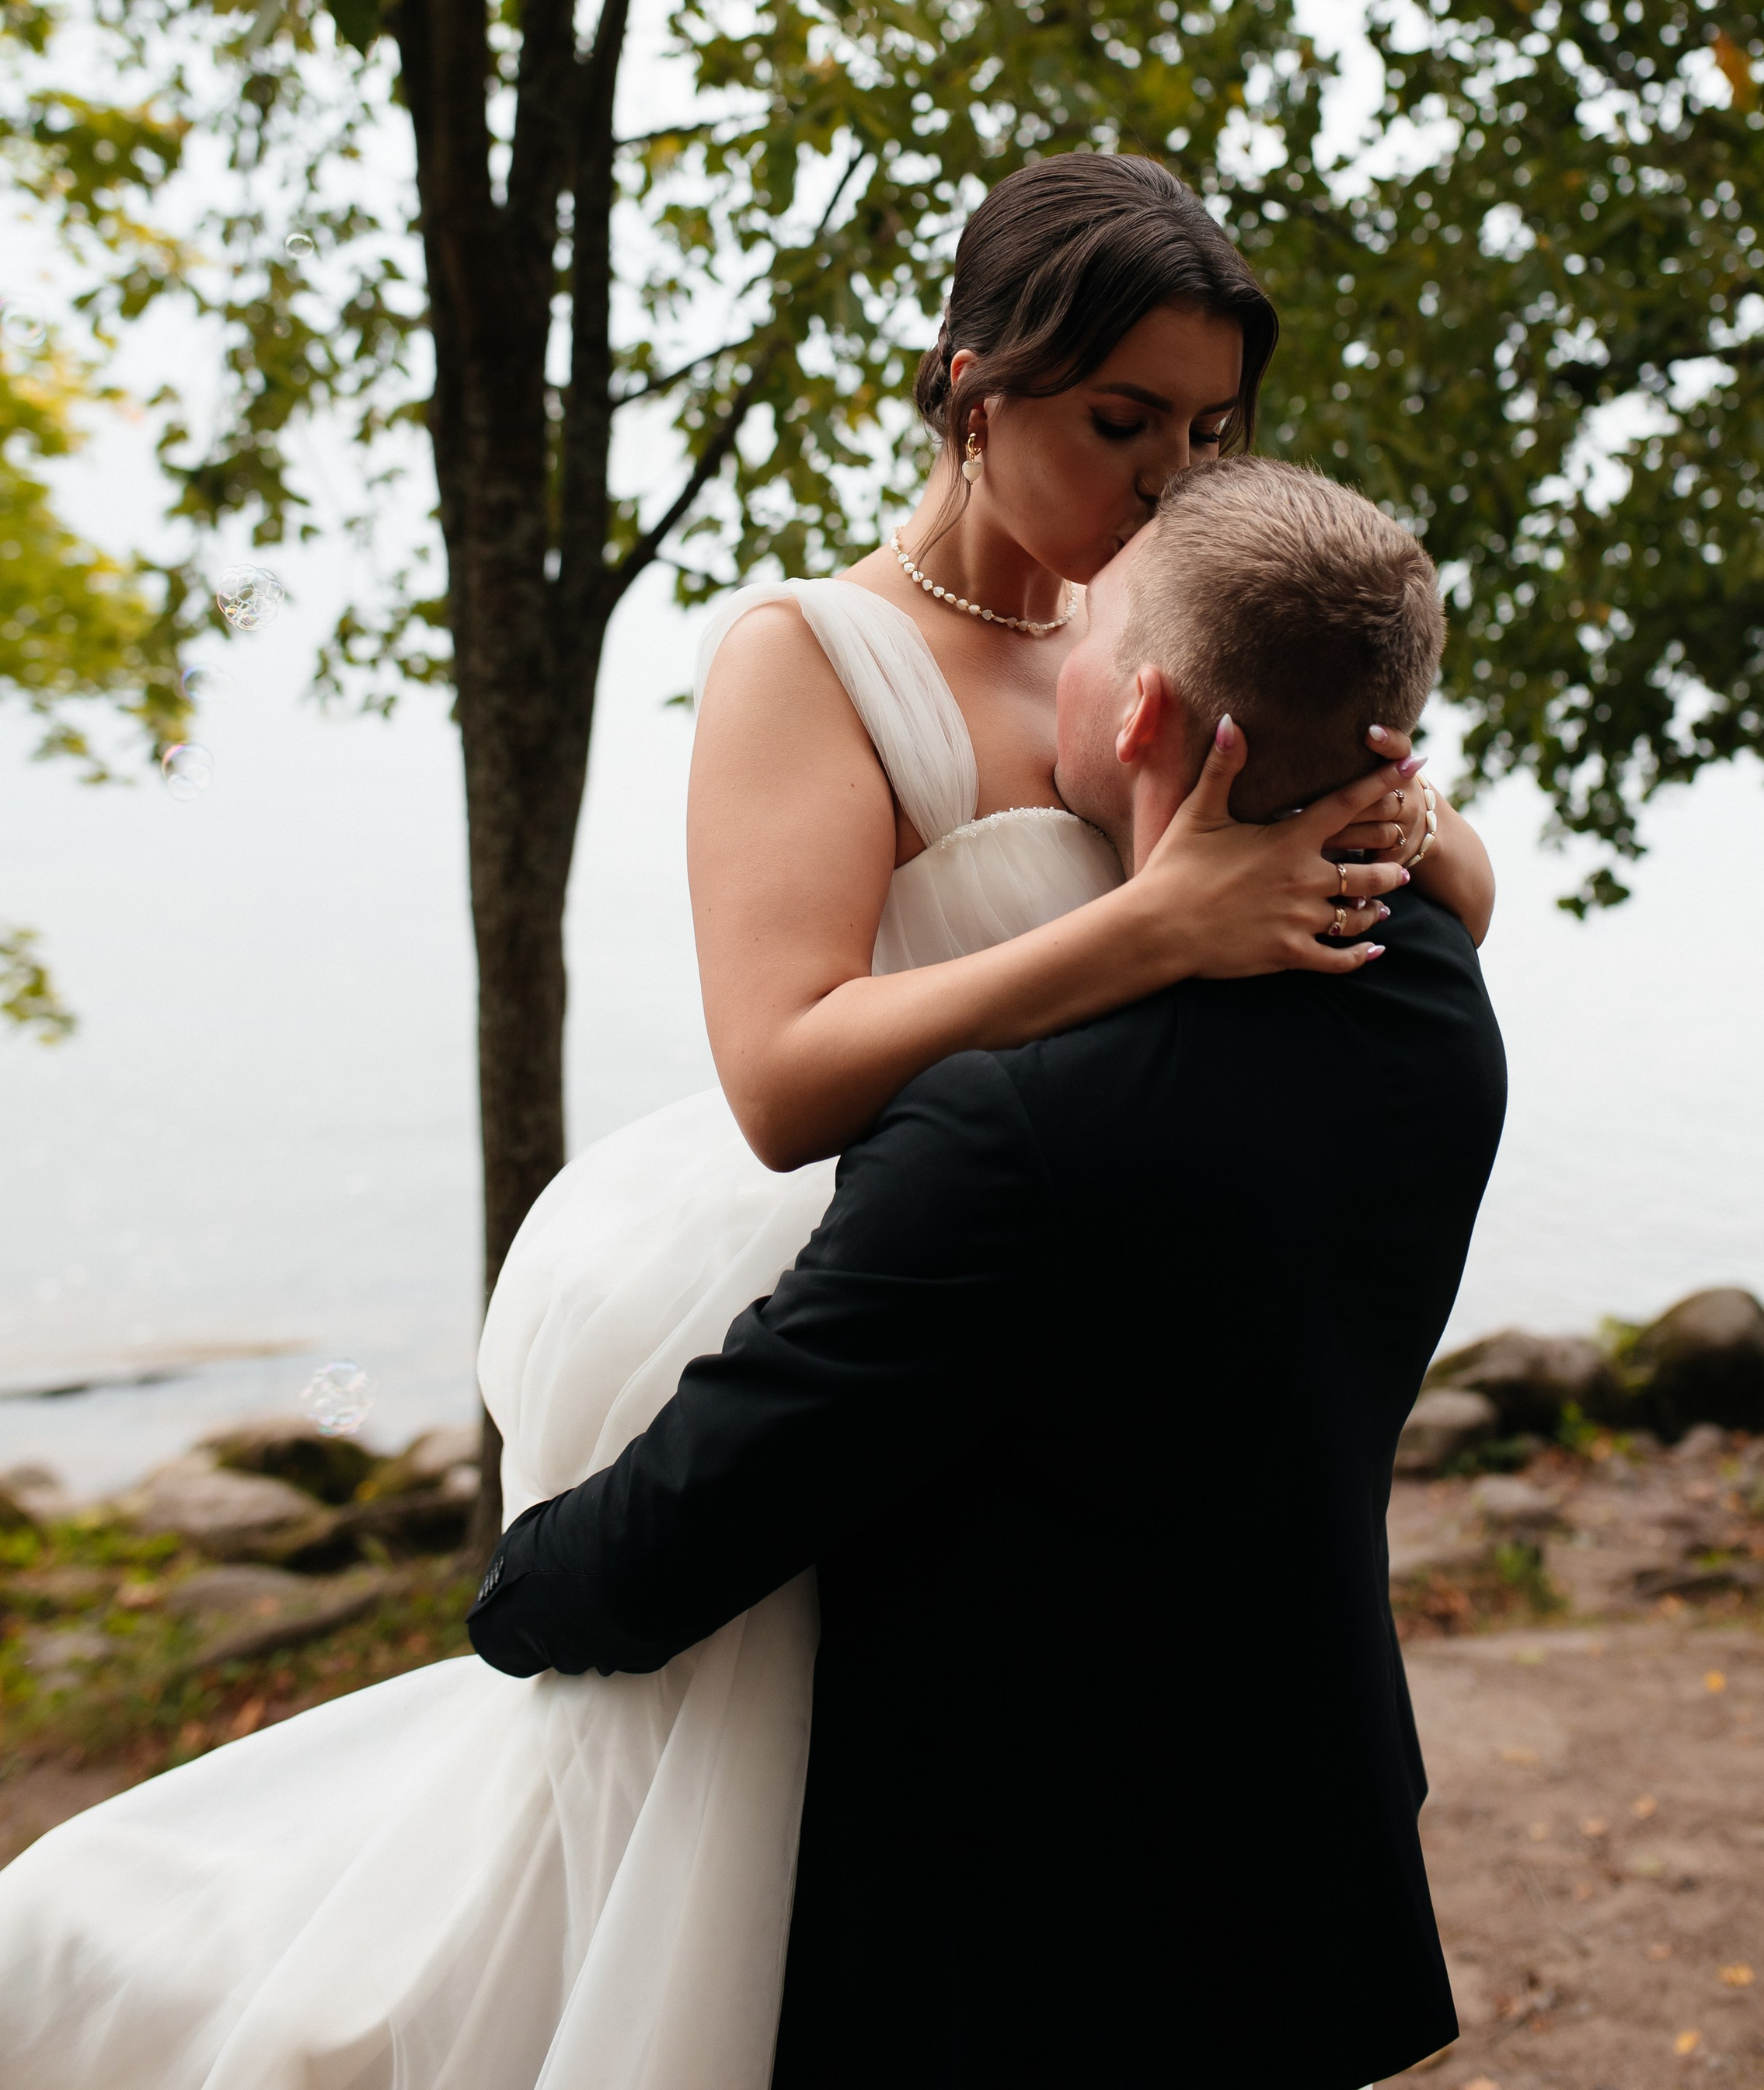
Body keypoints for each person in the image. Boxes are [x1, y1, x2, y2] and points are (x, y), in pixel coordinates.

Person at [0, 155, 1494, 2090]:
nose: (1168, 484)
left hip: (1077, 1344)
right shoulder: (813, 655)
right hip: (872, 1282)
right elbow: (784, 1075)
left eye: (1208, 432)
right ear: (975, 386)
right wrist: (1142, 928)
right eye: (1121, 423)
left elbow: (1434, 891)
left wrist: (1399, 812)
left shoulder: (1182, 632)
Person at [467, 458, 1508, 2086]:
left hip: (1018, 1928)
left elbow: (716, 1502)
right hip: (1299, 1854)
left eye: (1089, 630)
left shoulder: (1003, 1131)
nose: (1047, 661)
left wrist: (519, 1594)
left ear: (1149, 712)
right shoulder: (1439, 1010)